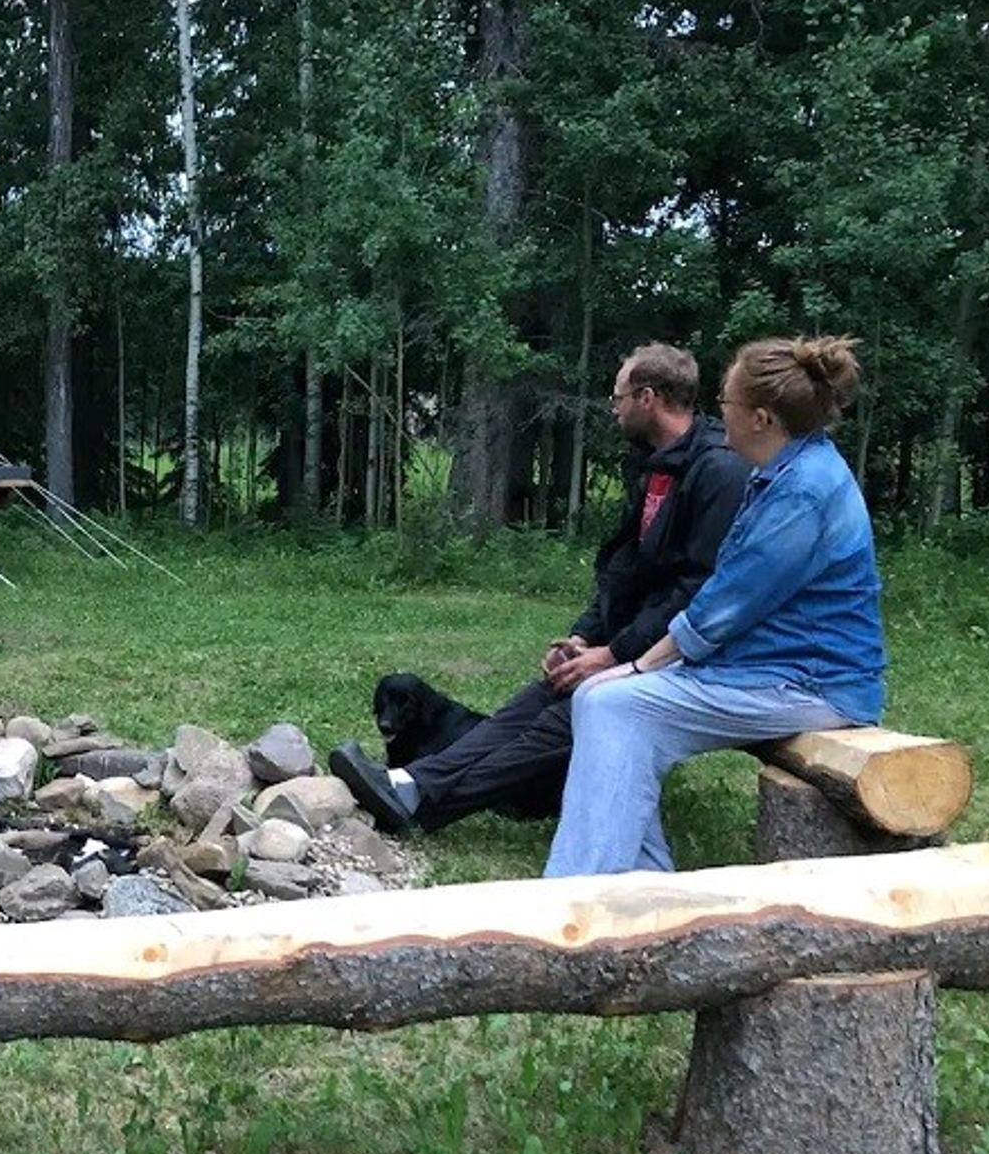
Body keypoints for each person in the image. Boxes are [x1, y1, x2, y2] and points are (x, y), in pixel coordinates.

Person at [330, 343, 752, 834]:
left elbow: (695, 592)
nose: (613, 408)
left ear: (647, 398)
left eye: (618, 397)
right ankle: (408, 783)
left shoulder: (717, 471)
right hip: (635, 643)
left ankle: (422, 805)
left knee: (563, 720)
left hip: (685, 655)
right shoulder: (656, 464)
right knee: (533, 701)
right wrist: (583, 638)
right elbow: (624, 571)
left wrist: (613, 655)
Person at [544, 335, 882, 877]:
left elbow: (727, 606)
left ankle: (581, 887)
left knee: (614, 705)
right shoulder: (786, 471)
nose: (718, 412)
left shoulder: (803, 492)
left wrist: (639, 665)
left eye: (727, 402)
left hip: (812, 683)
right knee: (601, 699)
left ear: (761, 419)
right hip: (769, 670)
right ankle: (635, 883)